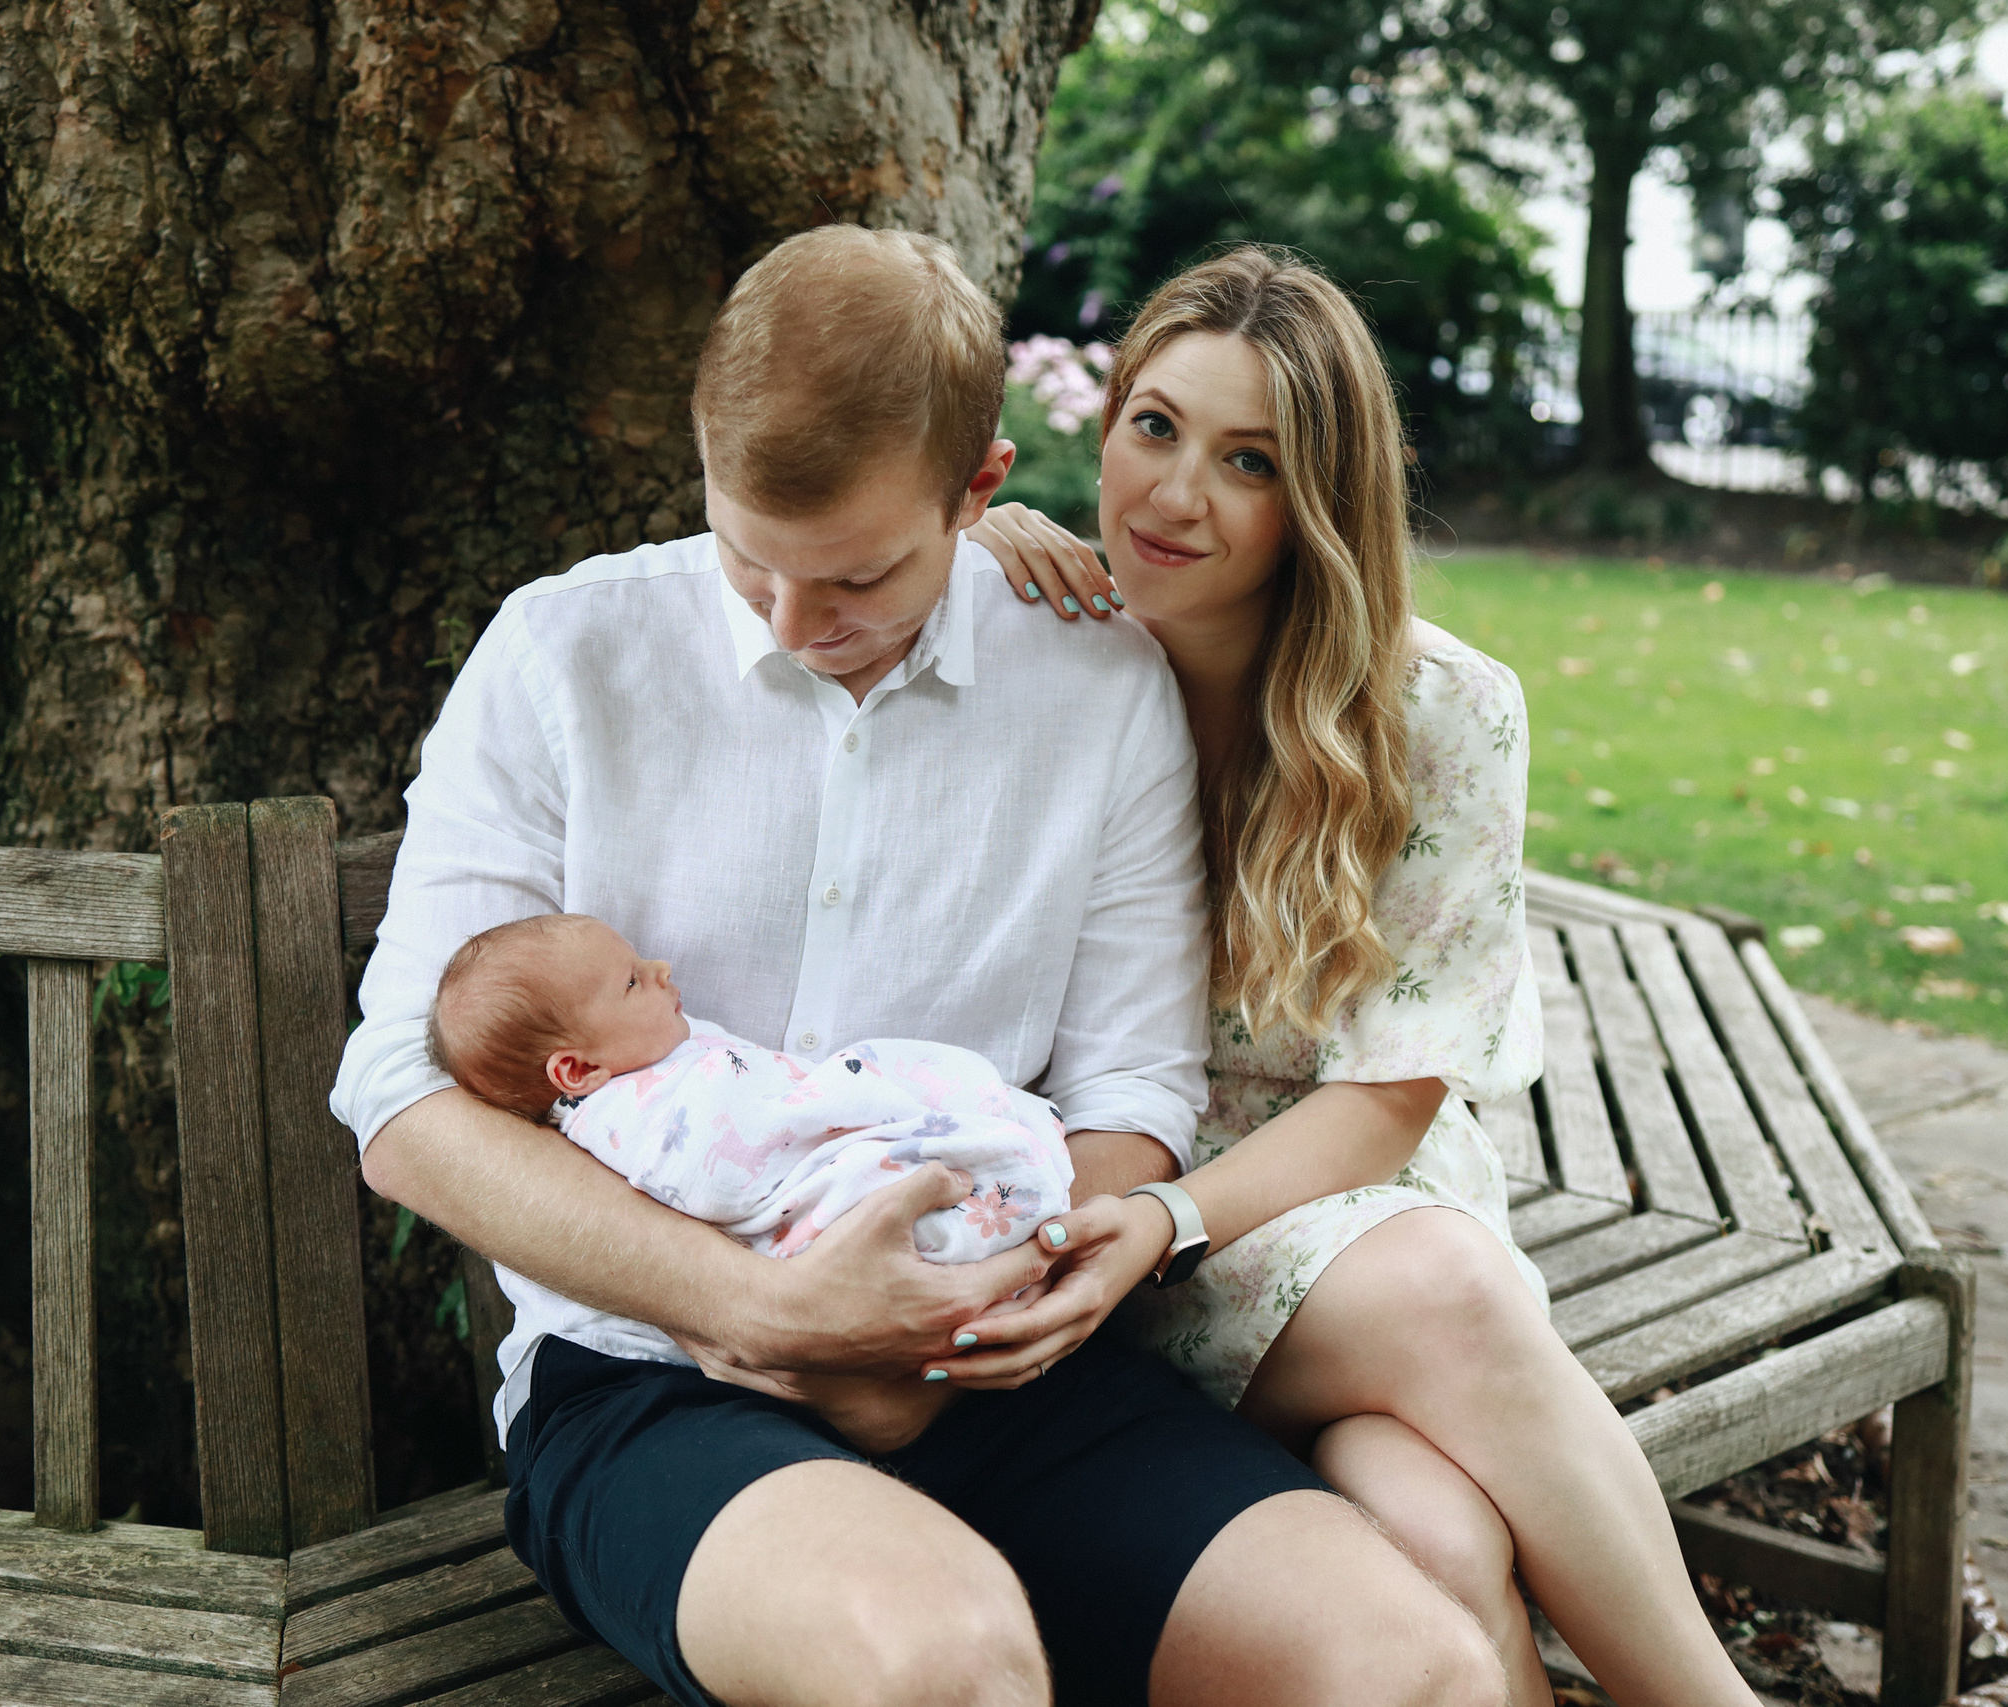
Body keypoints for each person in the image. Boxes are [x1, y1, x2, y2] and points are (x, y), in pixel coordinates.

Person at [333, 223, 1509, 1707]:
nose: (790, 623)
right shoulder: (563, 655)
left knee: (1413, 1667)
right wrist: (757, 1307)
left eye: (858, 578)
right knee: (948, 1661)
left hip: (1002, 1347)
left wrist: (971, 1300)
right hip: (656, 1376)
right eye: (748, 556)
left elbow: (1134, 1080)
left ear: (980, 490)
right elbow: (400, 1095)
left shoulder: (1094, 682)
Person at [963, 246, 1762, 1707]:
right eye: (1155, 425)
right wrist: (967, 548)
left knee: (1440, 1533)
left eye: (1245, 459)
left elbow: (1392, 1101)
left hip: (1342, 1213)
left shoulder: (1436, 706)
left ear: (1317, 499)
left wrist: (1170, 1214)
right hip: (1111, 1225)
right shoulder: (1036, 645)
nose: (1172, 494)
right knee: (1448, 1361)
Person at [424, 910, 1071, 1451]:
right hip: (757, 1294)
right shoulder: (631, 1118)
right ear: (576, 1069)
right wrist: (845, 1101)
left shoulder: (659, 1056)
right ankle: (983, 1203)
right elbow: (731, 1174)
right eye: (630, 981)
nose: (661, 970)